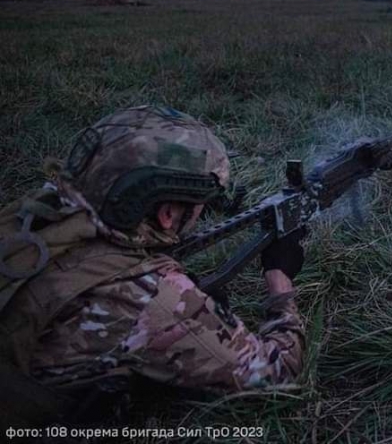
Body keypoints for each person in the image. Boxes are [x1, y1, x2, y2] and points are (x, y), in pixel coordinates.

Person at [0, 106, 305, 426]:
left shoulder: (40, 211)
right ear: (167, 214)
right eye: (201, 201)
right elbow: (275, 375)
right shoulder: (148, 297)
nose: (203, 210)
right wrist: (280, 278)